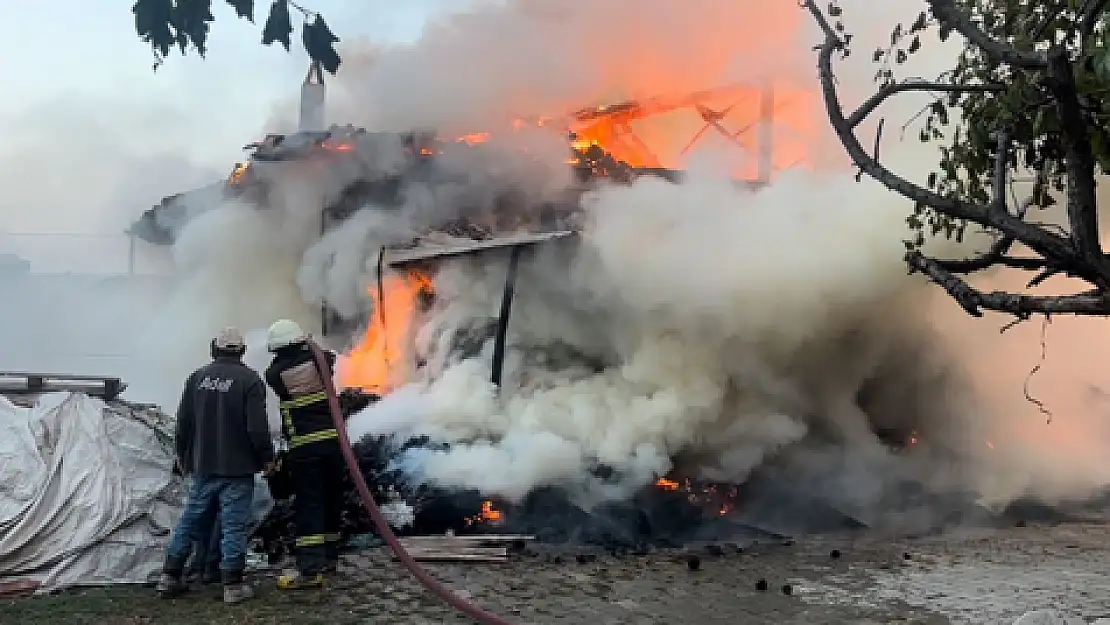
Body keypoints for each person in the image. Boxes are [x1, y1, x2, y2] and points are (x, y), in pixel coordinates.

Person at [157, 327, 276, 604]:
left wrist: (182, 456)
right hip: (237, 469)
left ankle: (170, 576)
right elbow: (257, 428)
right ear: (241, 351)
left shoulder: (197, 378)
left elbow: (184, 422)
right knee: (234, 525)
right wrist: (267, 458)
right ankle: (232, 585)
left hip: (203, 465)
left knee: (190, 519)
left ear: (215, 349)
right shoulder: (249, 380)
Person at [263, 318, 345, 590]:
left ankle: (310, 571)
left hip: (305, 448)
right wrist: (311, 344)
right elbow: (329, 358)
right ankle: (330, 558)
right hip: (334, 445)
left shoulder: (275, 375)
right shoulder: (321, 362)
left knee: (310, 505)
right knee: (332, 500)